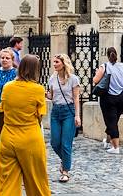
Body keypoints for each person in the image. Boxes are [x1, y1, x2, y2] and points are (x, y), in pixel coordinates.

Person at [0, 54, 50, 196]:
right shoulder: (37, 89)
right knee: (36, 181)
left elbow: (2, 109)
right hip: (30, 137)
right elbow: (40, 115)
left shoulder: (7, 87)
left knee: (7, 181)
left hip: (7, 136)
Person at [92, 46, 123, 153]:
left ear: (107, 55)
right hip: (122, 97)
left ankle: (116, 147)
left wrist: (97, 72)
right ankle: (107, 141)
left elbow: (95, 81)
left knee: (111, 122)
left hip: (108, 98)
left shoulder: (105, 66)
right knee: (113, 120)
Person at [47, 53, 81, 183]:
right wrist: (46, 95)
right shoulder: (52, 79)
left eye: (57, 62)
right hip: (56, 111)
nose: (54, 64)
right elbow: (51, 96)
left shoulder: (73, 79)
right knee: (55, 143)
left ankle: (65, 171)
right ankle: (66, 160)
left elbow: (76, 98)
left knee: (66, 143)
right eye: (54, 62)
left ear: (63, 63)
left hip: (69, 111)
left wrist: (77, 115)